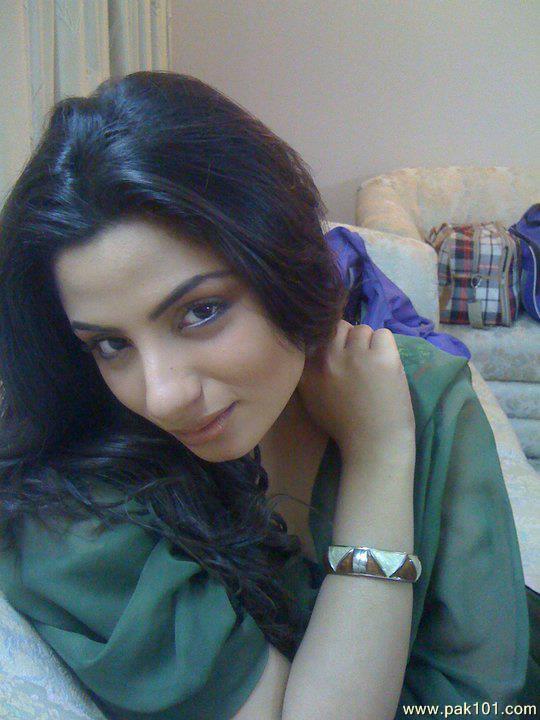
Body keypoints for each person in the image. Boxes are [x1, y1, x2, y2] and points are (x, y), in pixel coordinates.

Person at [0, 71, 536, 720]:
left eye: (200, 312)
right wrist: (378, 457)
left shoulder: (425, 392)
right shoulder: (72, 511)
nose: (163, 396)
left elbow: (479, 698)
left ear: (282, 260)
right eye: (110, 344)